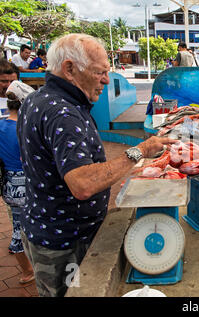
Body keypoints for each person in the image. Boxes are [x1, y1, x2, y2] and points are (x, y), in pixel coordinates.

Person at [16, 33, 177, 297]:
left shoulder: (38, 99)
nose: (105, 80)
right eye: (100, 72)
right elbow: (83, 184)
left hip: (42, 226)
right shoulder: (63, 113)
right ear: (69, 69)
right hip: (66, 240)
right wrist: (141, 151)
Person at [0, 80, 36, 284]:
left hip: (9, 184)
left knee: (18, 223)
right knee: (23, 230)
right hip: (26, 184)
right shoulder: (24, 129)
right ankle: (29, 270)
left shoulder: (1, 125)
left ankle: (27, 269)